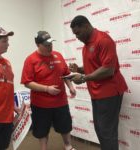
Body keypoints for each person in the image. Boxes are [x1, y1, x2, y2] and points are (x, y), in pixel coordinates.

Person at [69, 15, 128, 150]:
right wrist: (79, 69)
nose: (76, 37)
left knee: (107, 131)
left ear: (86, 26)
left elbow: (108, 70)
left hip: (110, 92)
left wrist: (83, 78)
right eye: (74, 34)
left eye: (78, 32)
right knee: (100, 129)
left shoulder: (104, 40)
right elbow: (94, 66)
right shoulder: (86, 45)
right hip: (97, 93)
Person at [21, 31, 76, 150]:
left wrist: (71, 87)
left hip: (60, 101)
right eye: (46, 45)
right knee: (42, 130)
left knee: (65, 127)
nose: (50, 47)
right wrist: (46, 89)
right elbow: (27, 82)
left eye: (51, 44)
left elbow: (65, 74)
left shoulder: (58, 55)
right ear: (38, 45)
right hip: (40, 104)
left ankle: (68, 146)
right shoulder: (31, 60)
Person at [0, 27, 18, 150]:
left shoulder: (7, 63)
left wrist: (15, 108)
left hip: (7, 118)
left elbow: (6, 89)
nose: (8, 44)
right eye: (4, 41)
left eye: (7, 40)